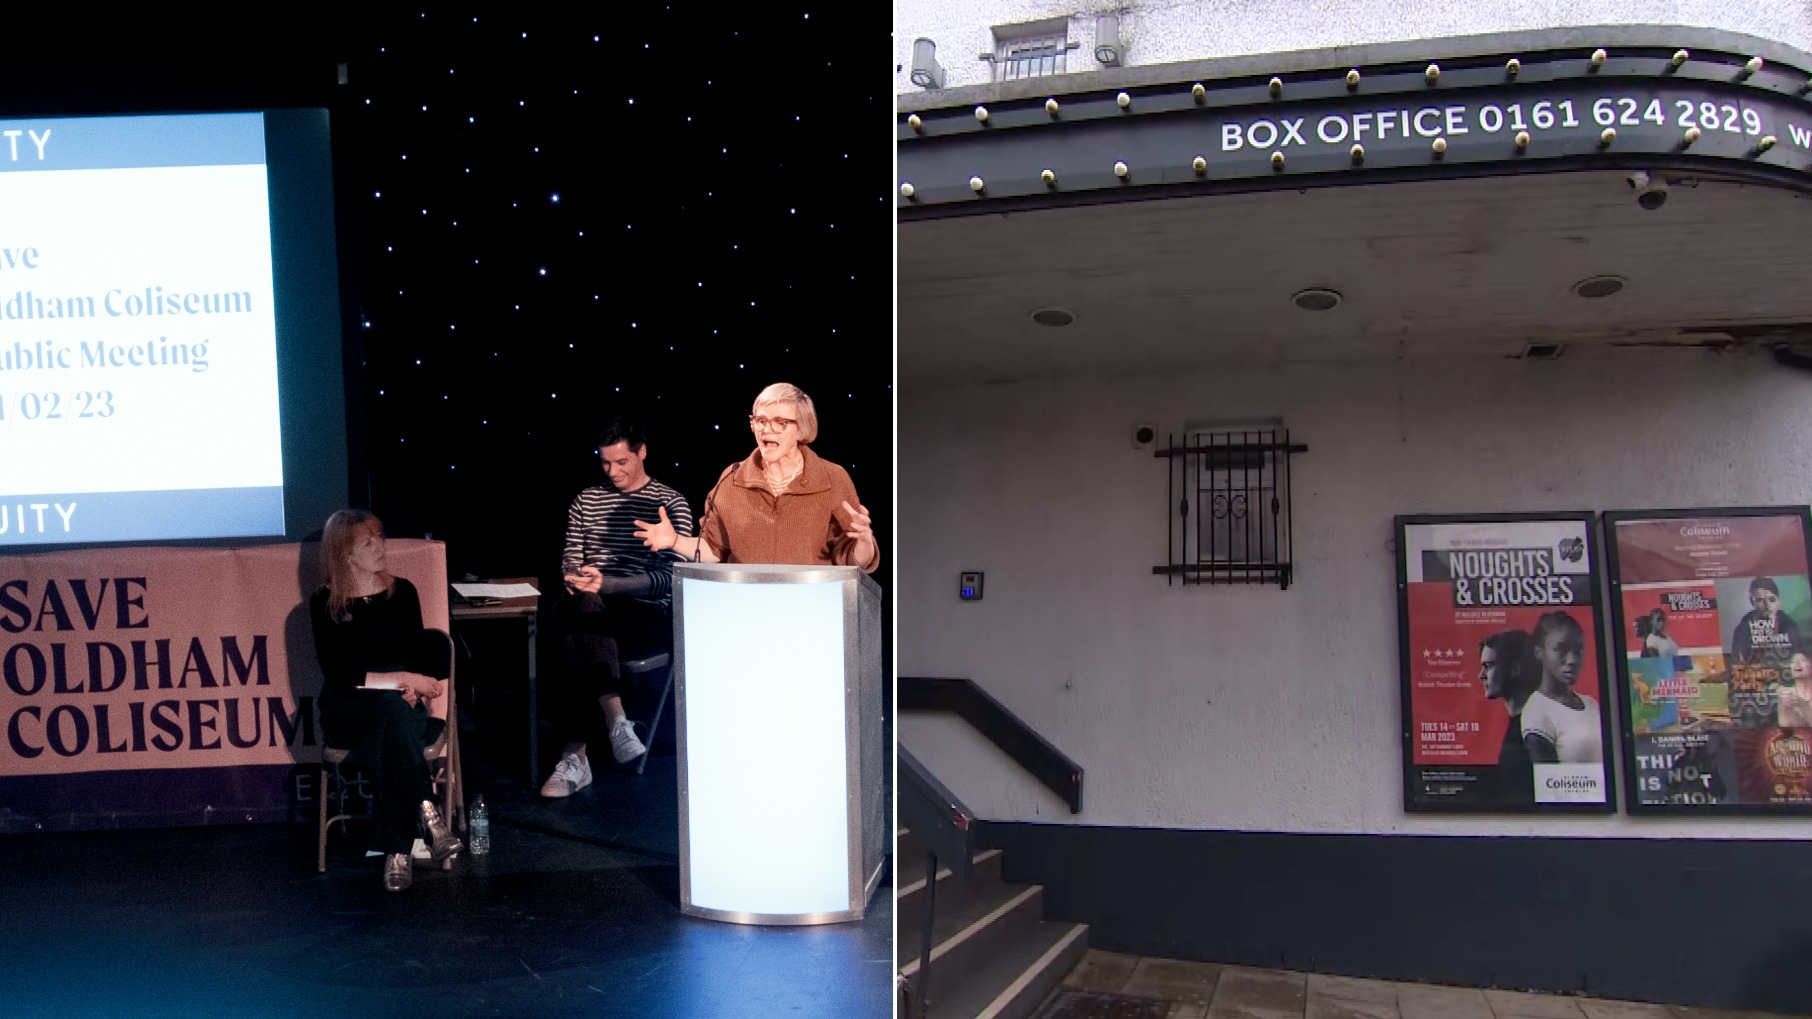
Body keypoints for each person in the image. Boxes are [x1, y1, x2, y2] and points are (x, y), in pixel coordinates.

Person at [541, 417, 694, 798]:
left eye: (621, 462)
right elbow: (570, 561)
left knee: (572, 634)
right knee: (582, 608)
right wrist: (581, 579)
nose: (613, 472)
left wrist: (611, 584)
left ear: (642, 452)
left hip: (643, 612)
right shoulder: (586, 500)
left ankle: (575, 757)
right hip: (591, 607)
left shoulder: (670, 502)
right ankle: (617, 722)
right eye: (605, 463)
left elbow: (672, 578)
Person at [308, 509, 461, 892]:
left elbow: (414, 659)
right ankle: (427, 812)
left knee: (393, 714)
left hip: (397, 705)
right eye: (368, 541)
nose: (381, 546)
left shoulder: (403, 592)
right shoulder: (324, 604)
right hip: (347, 708)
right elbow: (341, 677)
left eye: (381, 536)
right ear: (345, 553)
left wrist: (406, 682)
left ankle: (397, 850)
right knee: (392, 713)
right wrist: (402, 680)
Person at [634, 382, 878, 573]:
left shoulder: (832, 478)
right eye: (759, 420)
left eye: (779, 422)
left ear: (801, 428)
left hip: (812, 609)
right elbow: (714, 550)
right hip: (746, 610)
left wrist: (865, 543)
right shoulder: (731, 479)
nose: (766, 429)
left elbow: (850, 559)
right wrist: (675, 540)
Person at [1521, 611, 1603, 764]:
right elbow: (1548, 780)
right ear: (1539, 651)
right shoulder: (1537, 712)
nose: (1572, 660)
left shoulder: (1590, 704)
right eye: (1560, 650)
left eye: (1578, 651)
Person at [1478, 629, 1540, 803]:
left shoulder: (1536, 728)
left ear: (1514, 669)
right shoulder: (1522, 722)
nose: (1481, 675)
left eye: (1489, 666)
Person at [1731, 576, 1804, 665]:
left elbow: (1799, 657)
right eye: (1760, 600)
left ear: (1778, 601)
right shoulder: (1742, 629)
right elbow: (1738, 660)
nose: (1767, 605)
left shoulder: (1791, 627)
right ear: (1752, 601)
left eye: (1772, 600)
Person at [1778, 652, 1812, 729]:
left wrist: (1804, 707)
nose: (1796, 664)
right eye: (1792, 662)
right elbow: (1785, 727)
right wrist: (1786, 710)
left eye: (1802, 660)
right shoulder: (1786, 694)